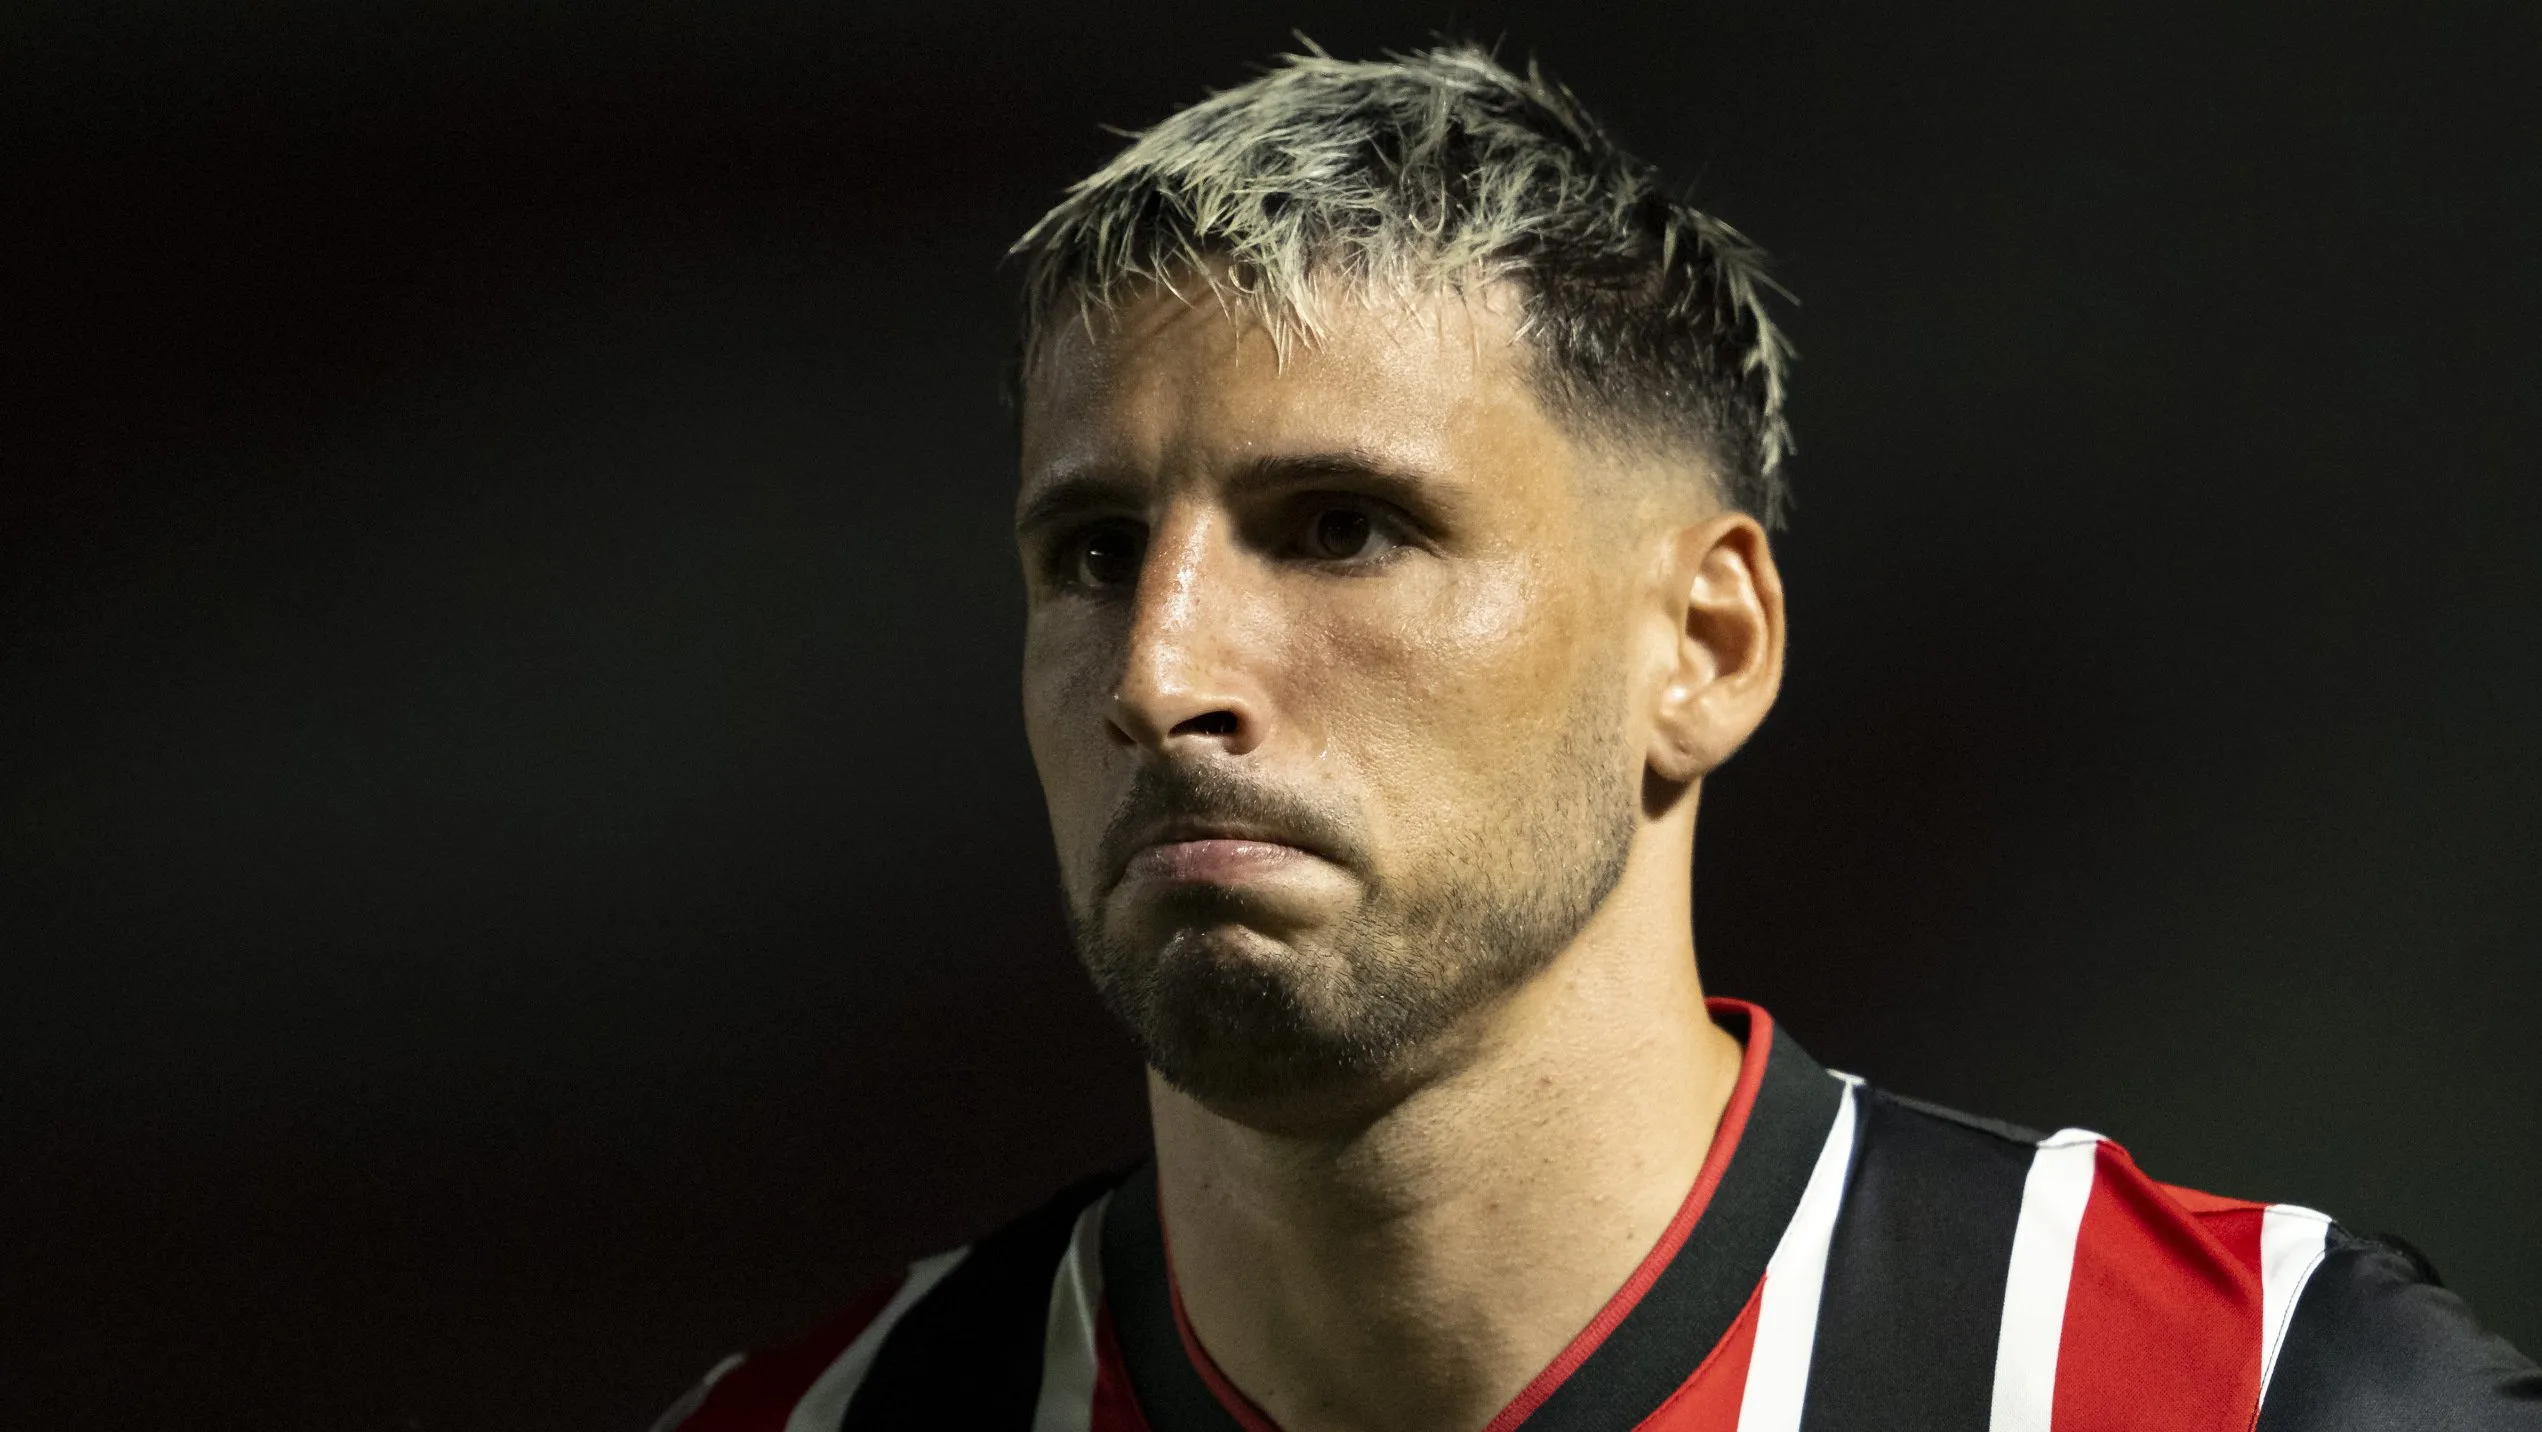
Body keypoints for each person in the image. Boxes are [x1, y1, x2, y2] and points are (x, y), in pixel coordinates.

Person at [653, 44, 2540, 1432]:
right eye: (1090, 552)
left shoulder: (2234, 1395)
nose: (1160, 671)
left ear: (1703, 644)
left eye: (1341, 529)